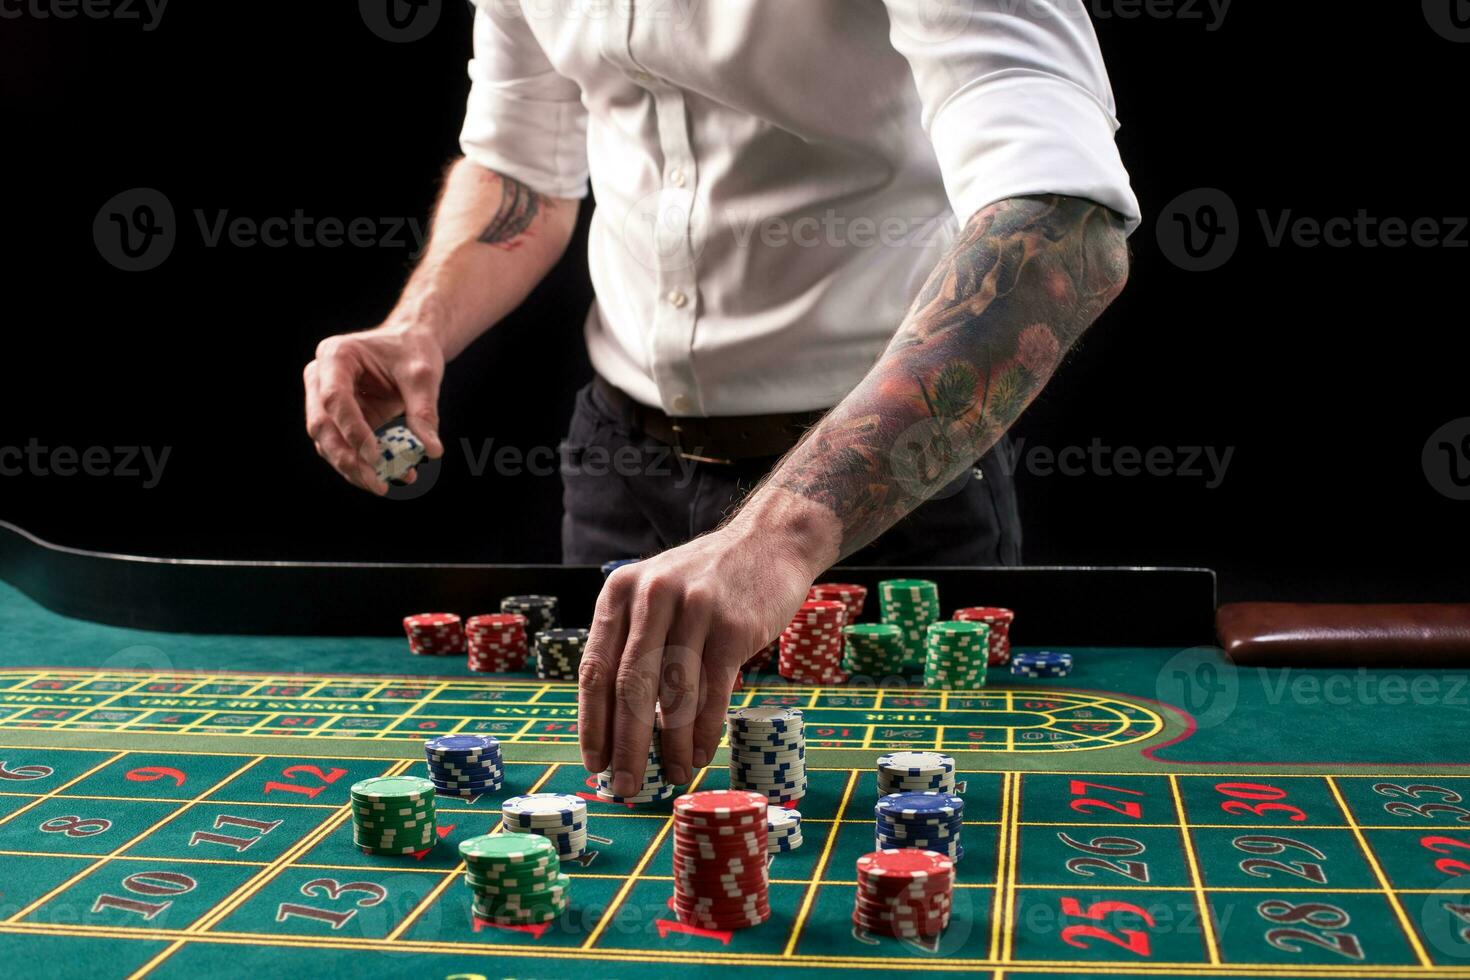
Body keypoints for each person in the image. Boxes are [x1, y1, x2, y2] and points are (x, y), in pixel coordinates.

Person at [304, 2, 1137, 799]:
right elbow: (523, 164)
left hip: (883, 485)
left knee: (913, 842)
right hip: (621, 465)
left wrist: (781, 535)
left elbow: (1064, 228)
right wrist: (420, 324)